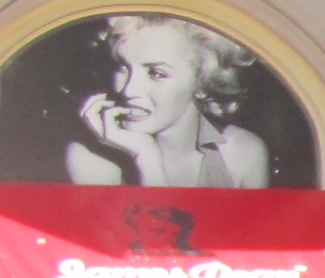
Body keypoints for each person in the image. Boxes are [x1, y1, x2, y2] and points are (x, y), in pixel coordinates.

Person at [66, 16, 271, 190]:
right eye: (123, 67)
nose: (128, 90)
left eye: (156, 73)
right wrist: (146, 157)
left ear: (202, 81)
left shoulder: (243, 153)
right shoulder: (91, 159)